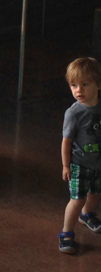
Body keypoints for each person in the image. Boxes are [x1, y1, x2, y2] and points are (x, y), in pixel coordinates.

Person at [58, 57, 101, 254]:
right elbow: (66, 142)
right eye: (73, 85)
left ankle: (87, 215)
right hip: (79, 164)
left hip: (97, 164)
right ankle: (67, 232)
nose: (78, 90)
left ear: (98, 84)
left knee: (95, 194)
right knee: (77, 199)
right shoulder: (73, 113)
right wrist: (66, 165)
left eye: (85, 84)